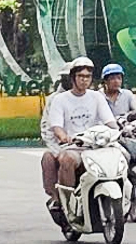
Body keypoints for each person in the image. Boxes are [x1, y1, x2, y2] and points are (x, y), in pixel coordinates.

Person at [39, 57, 113, 227]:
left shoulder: (97, 97)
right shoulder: (57, 100)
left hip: (95, 145)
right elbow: (51, 128)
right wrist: (62, 140)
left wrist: (119, 131)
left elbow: (109, 121)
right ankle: (67, 203)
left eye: (88, 76)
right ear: (72, 78)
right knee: (63, 159)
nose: (84, 80)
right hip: (70, 146)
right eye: (80, 76)